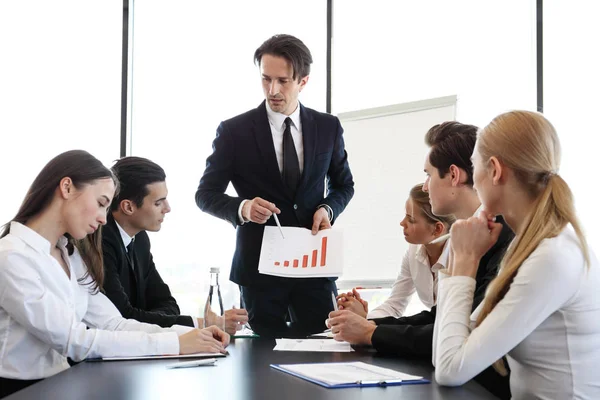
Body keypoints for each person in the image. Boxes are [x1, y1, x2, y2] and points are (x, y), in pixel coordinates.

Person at [0, 150, 229, 398]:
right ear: (66, 187)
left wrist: (190, 335)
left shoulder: (69, 254)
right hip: (18, 391)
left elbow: (112, 323)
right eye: (100, 204)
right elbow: (75, 341)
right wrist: (176, 343)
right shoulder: (12, 256)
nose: (102, 218)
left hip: (61, 383)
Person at [327, 121, 514, 399]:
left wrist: (370, 333)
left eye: (428, 175)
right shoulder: (479, 230)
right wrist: (371, 327)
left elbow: (459, 335)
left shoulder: (501, 237)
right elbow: (440, 316)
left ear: (452, 175)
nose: (425, 187)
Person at [433, 111, 600, 399]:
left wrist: (465, 261)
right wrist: (457, 262)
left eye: (475, 167)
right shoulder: (527, 245)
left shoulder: (552, 256)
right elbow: (446, 352)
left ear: (495, 170)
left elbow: (450, 369)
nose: (473, 181)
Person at [195, 34, 354, 337]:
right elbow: (205, 194)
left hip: (313, 268)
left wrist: (327, 209)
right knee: (260, 364)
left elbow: (344, 185)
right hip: (259, 271)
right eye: (266, 79)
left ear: (303, 81)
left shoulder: (327, 127)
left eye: (283, 81)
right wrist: (242, 208)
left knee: (323, 352)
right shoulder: (234, 131)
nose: (273, 90)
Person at [102, 156, 248, 334]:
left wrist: (146, 319)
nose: (167, 208)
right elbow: (123, 318)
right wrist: (205, 323)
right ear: (128, 207)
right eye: (158, 202)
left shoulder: (140, 239)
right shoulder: (102, 242)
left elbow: (167, 304)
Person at [336, 183, 455, 319]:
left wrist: (367, 324)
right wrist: (363, 318)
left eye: (411, 219)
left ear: (437, 229)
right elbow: (394, 306)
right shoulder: (414, 252)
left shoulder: (461, 259)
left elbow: (438, 319)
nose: (402, 223)